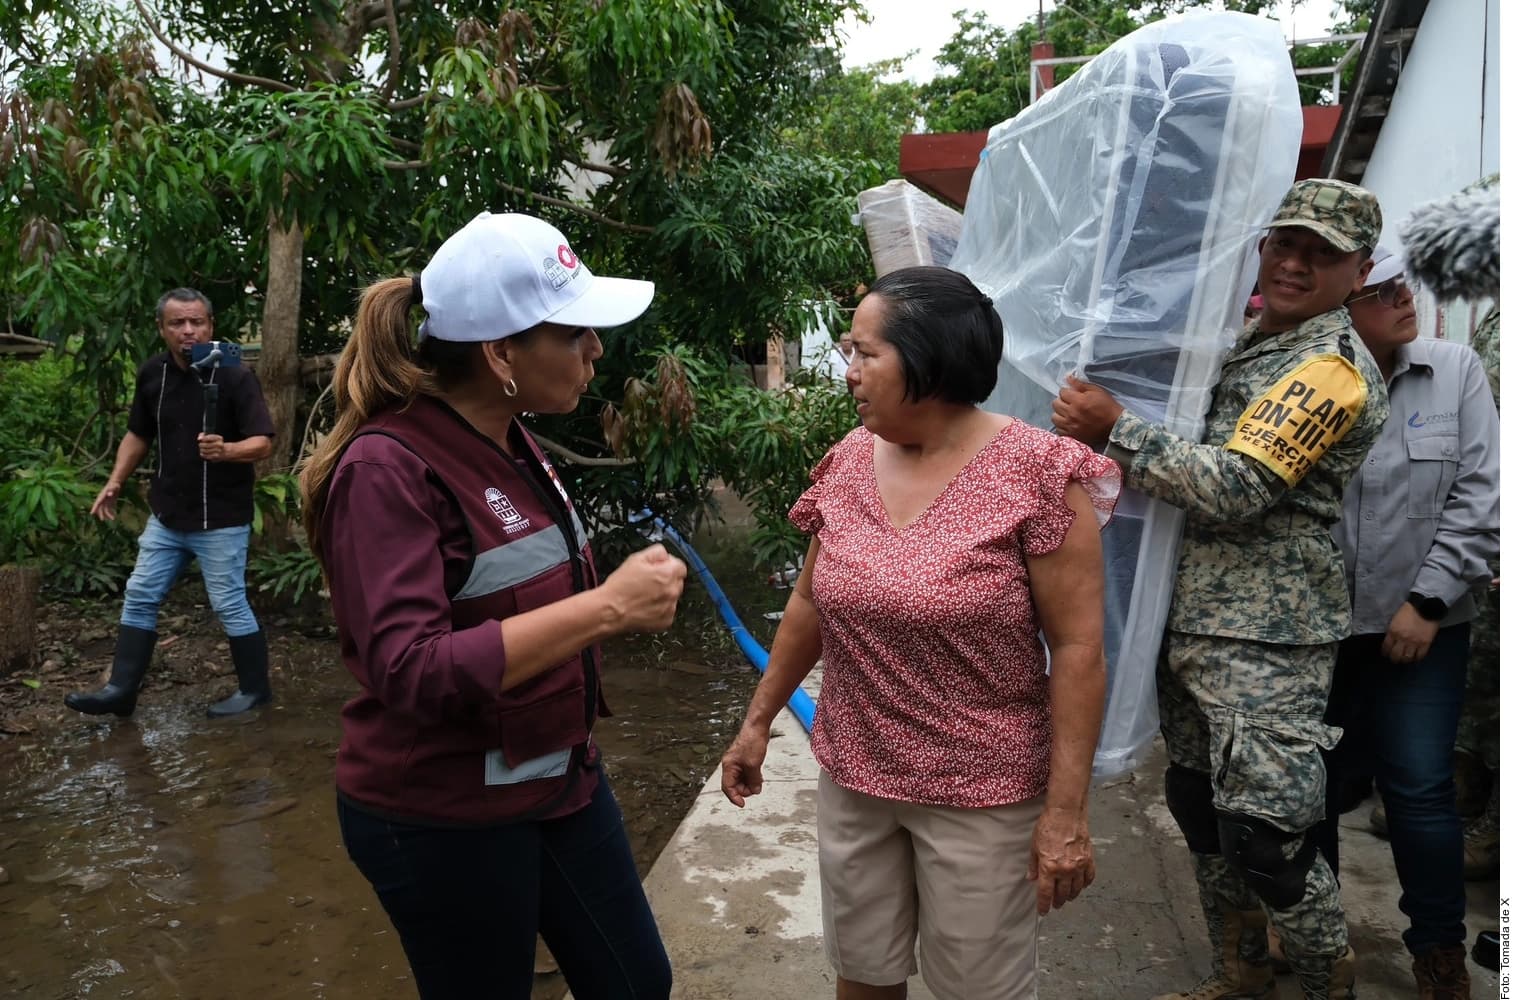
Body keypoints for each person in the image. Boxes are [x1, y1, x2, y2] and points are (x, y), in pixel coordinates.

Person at [297, 211, 686, 1000]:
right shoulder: (386, 468)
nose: (596, 350)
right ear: (502, 352)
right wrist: (607, 609)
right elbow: (409, 670)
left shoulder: (514, 439)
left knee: (637, 983)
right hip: (442, 817)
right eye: (576, 331)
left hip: (556, 783)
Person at [720, 265, 1120, 1000]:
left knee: (977, 990)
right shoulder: (845, 462)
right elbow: (808, 601)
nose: (848, 372)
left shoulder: (1036, 473)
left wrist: (1065, 812)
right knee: (863, 975)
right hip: (854, 776)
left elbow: (1078, 650)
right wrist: (756, 723)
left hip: (981, 793)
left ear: (928, 358)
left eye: (865, 353)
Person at [1052, 178, 1390, 1000]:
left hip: (1266, 639)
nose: (1296, 264)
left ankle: (1323, 982)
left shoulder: (1329, 369)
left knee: (1266, 839)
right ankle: (1237, 978)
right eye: (1285, 243)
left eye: (1322, 254)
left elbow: (1238, 485)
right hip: (1194, 621)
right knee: (1201, 812)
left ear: (1359, 271)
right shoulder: (1245, 339)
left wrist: (1115, 429)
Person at [1306, 249, 1498, 998]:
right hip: (1318, 632)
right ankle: (1318, 947)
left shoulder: (1453, 370)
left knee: (1419, 790)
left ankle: (1437, 954)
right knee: (1311, 790)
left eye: (1400, 283)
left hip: (1426, 629)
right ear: (1340, 308)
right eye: (1377, 290)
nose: (1401, 298)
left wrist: (1424, 603)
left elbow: (1480, 495)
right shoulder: (1308, 380)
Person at [65, 288, 276, 718]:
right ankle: (121, 690)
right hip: (167, 516)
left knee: (229, 602)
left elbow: (263, 442)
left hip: (220, 518)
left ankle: (255, 691)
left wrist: (228, 451)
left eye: (197, 322)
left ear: (211, 326)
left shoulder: (234, 374)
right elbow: (138, 434)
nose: (188, 330)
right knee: (140, 594)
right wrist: (115, 481)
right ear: (161, 328)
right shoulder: (152, 374)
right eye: (178, 323)